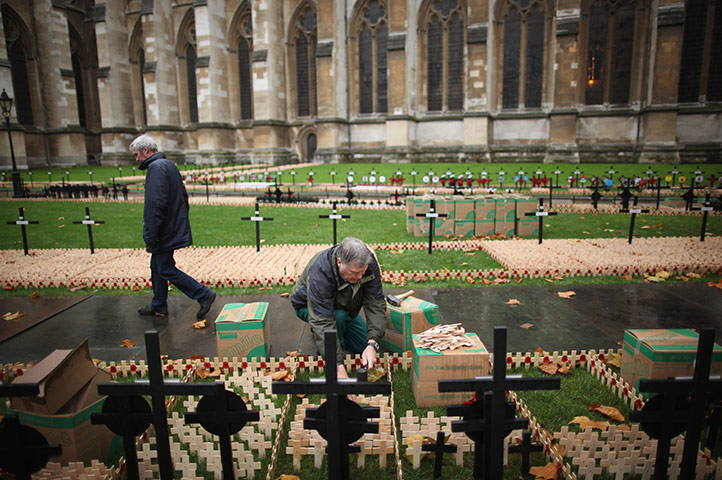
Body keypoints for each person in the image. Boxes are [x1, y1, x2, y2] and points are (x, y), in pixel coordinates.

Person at [130, 134, 216, 319]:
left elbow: (156, 204)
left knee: (164, 268)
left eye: (136, 154)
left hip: (163, 230)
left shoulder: (156, 168)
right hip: (171, 226)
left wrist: (151, 232)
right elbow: (183, 199)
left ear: (146, 150)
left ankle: (203, 294)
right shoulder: (168, 165)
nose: (136, 159)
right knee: (157, 266)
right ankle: (158, 304)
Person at [290, 237, 386, 380]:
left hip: (343, 306)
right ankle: (324, 345)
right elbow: (322, 321)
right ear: (339, 262)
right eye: (354, 272)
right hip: (310, 307)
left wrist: (372, 344)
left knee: (363, 346)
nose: (360, 276)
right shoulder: (320, 272)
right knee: (338, 318)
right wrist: (337, 365)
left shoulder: (367, 263)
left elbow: (375, 303)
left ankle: (339, 338)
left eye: (363, 272)